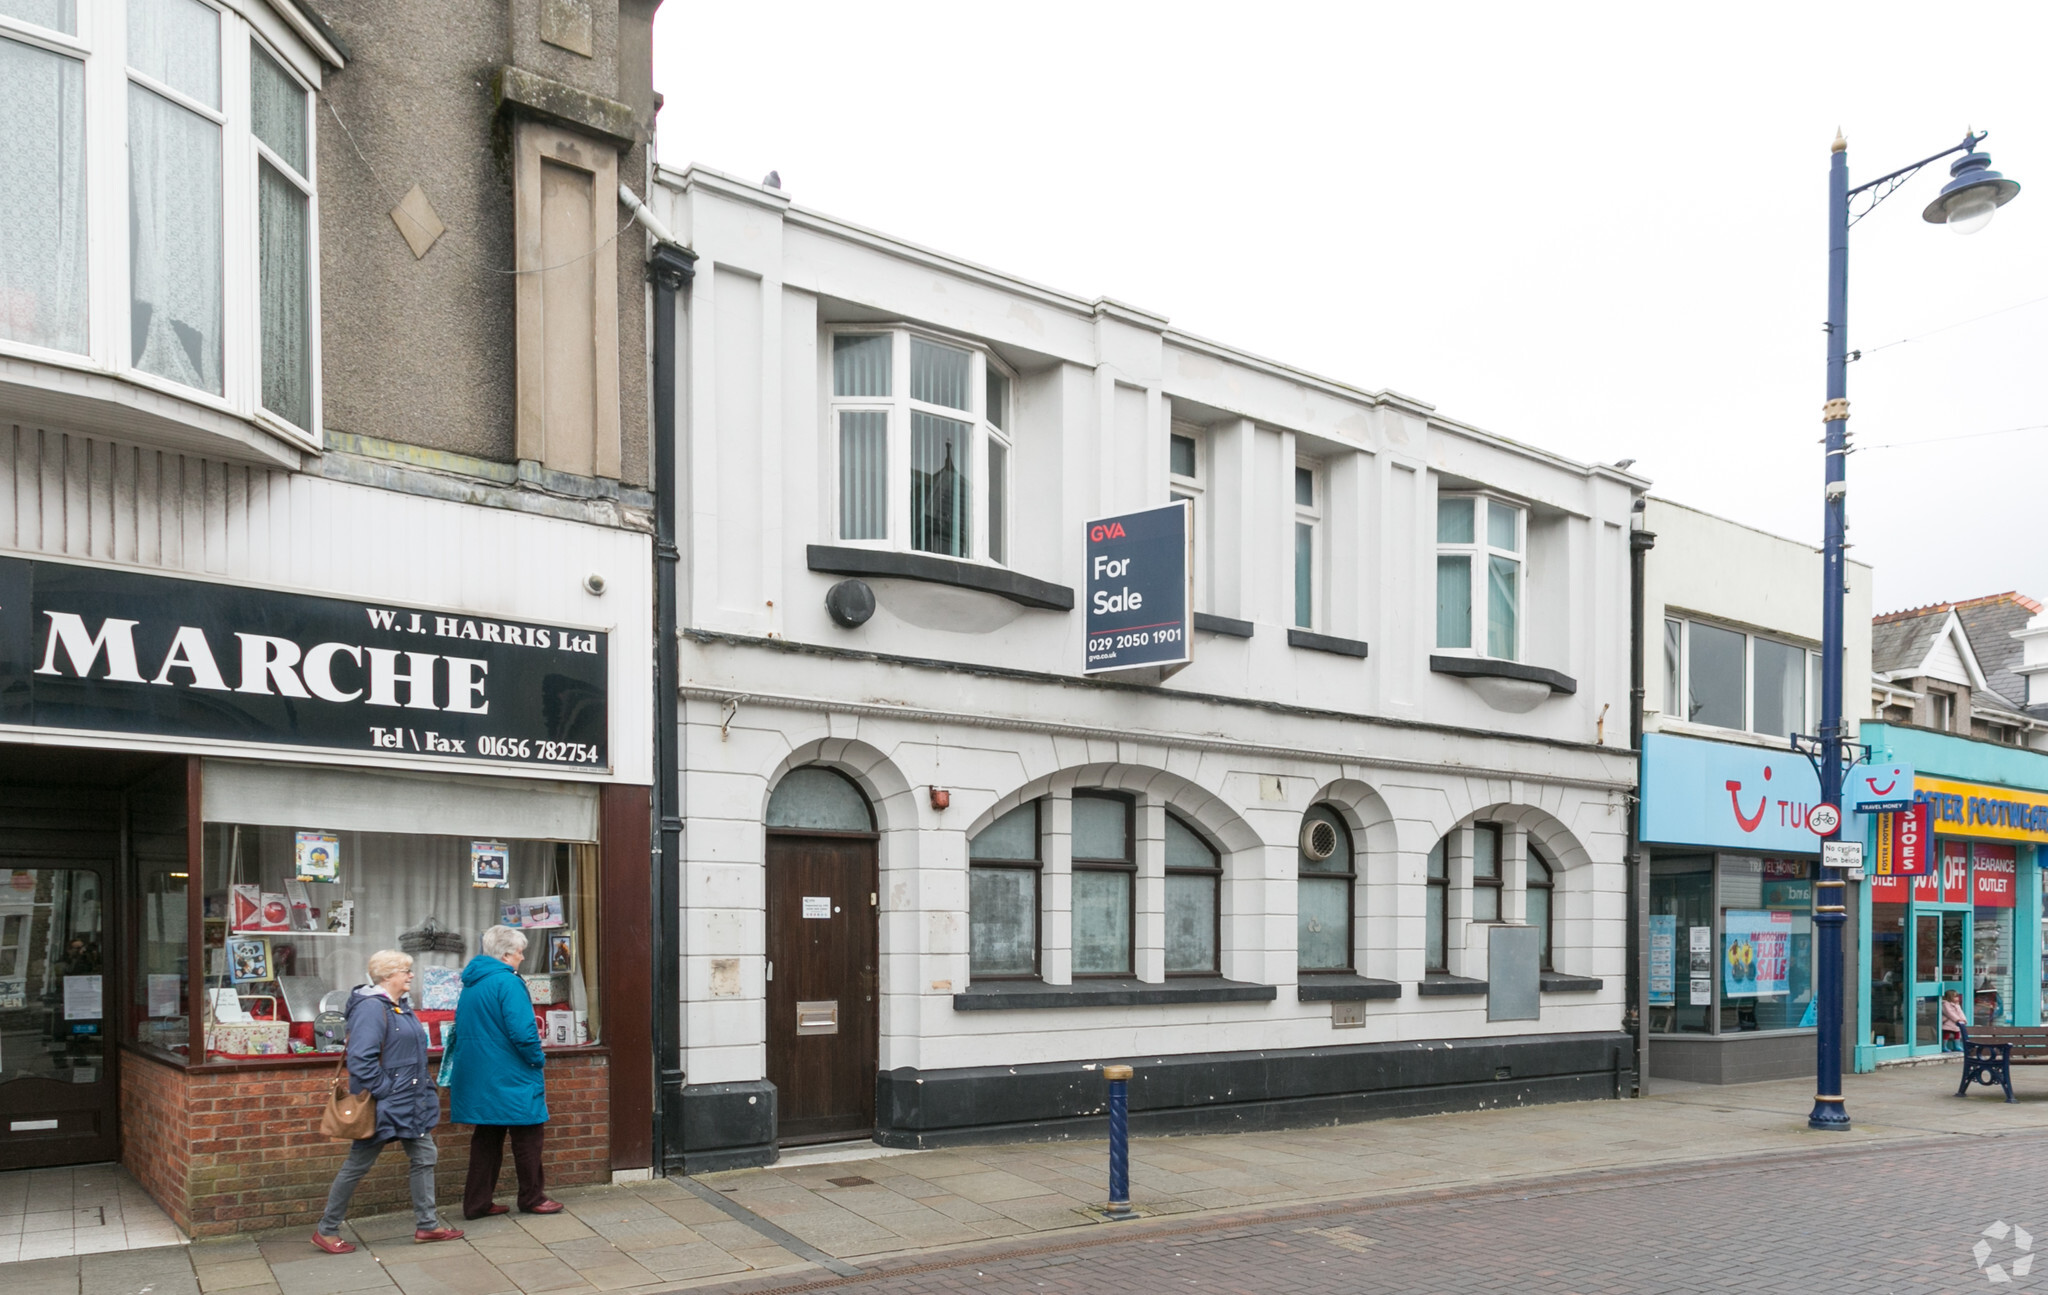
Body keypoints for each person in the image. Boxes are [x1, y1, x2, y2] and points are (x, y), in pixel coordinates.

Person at [311, 950, 464, 1253]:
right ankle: (326, 1230)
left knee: (424, 1157)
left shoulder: (399, 1007)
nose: (410, 976)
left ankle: (428, 1225)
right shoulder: (371, 1009)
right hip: (386, 1105)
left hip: (411, 1102)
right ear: (387, 976)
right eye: (405, 971)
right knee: (357, 1164)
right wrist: (388, 1091)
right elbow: (361, 1059)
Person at [450, 924, 562, 1219]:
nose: (522, 958)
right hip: (511, 1074)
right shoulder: (508, 983)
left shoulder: (473, 983)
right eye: (520, 952)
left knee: (486, 1139)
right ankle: (532, 1197)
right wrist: (537, 1060)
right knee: (528, 1135)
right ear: (506, 953)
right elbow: (523, 1032)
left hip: (480, 1074)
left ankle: (476, 1203)